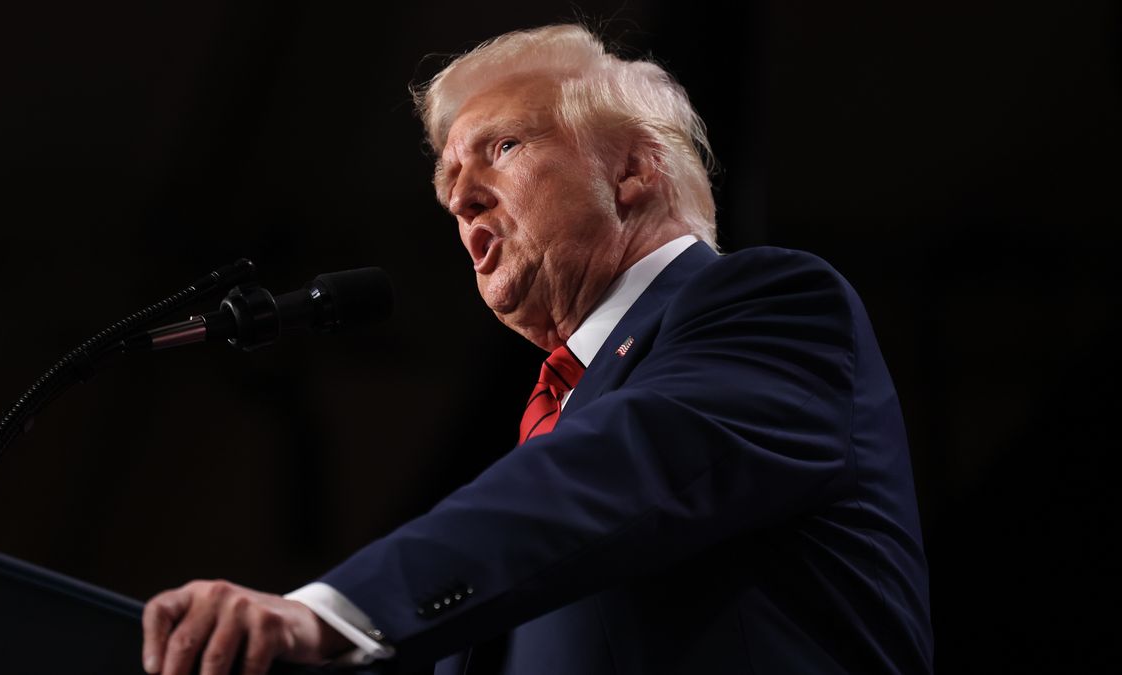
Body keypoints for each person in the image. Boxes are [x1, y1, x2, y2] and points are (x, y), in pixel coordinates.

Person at [141, 24, 933, 675]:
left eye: (504, 147)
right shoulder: (554, 427)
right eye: (451, 182)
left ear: (631, 171)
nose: (461, 196)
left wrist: (330, 613)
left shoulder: (775, 307)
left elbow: (616, 471)